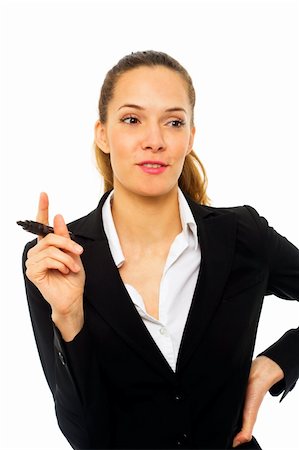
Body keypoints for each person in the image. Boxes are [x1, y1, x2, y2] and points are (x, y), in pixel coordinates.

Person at [22, 50, 299, 450]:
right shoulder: (57, 258)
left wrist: (280, 363)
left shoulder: (243, 236)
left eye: (173, 122)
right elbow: (86, 435)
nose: (155, 141)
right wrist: (69, 317)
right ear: (102, 133)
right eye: (132, 120)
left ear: (190, 137)